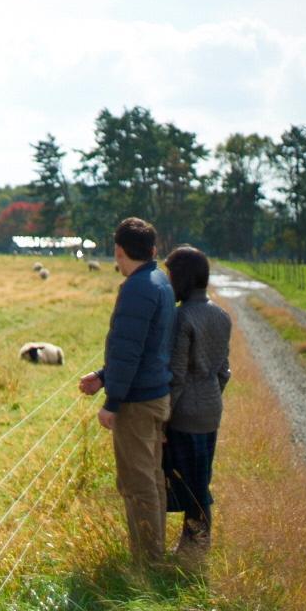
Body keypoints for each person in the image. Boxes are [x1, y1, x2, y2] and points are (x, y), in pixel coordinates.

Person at [78, 217, 176, 565]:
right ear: (152, 249)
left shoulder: (136, 288)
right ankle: (154, 551)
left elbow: (128, 349)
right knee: (151, 476)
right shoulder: (160, 281)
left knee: (137, 483)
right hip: (156, 393)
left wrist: (113, 401)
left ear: (119, 251)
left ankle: (147, 561)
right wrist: (105, 376)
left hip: (137, 401)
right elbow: (145, 345)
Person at [160, 245, 231, 558]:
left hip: (185, 413)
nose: (168, 282)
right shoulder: (221, 315)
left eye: (171, 275)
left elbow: (175, 375)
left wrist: (163, 417)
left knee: (188, 484)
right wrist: (210, 396)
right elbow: (224, 372)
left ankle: (194, 549)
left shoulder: (182, 317)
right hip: (211, 409)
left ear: (183, 279)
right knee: (201, 478)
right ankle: (195, 545)